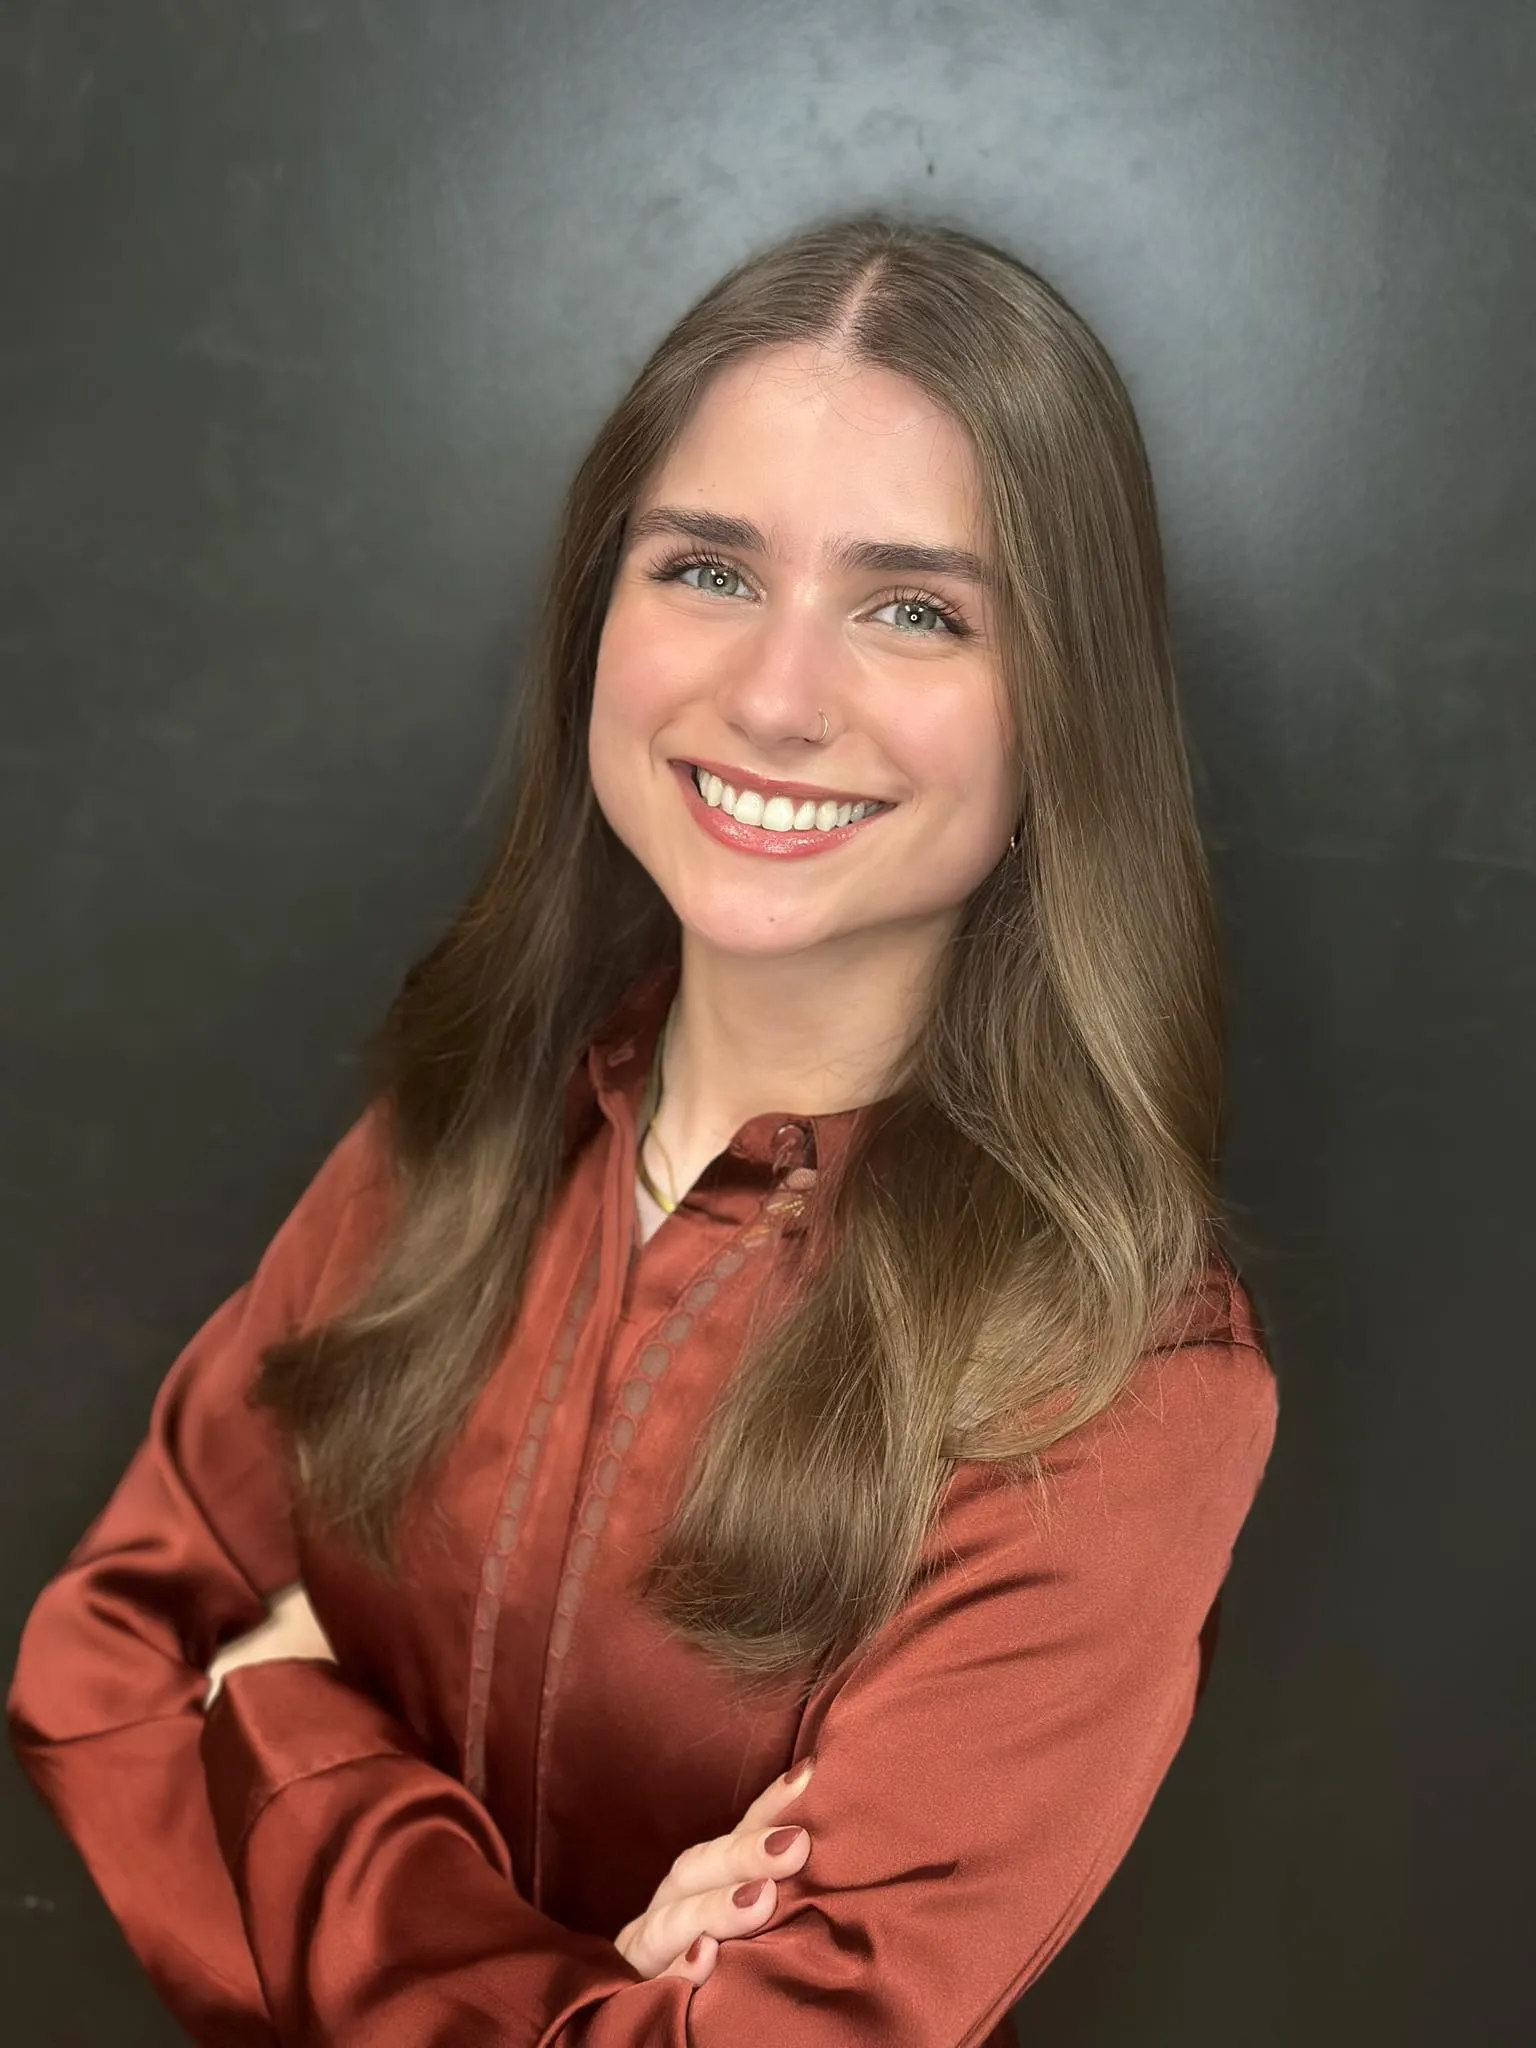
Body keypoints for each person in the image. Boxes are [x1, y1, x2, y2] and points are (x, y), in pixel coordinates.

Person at [7, 212, 1279, 2047]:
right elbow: (98, 1663)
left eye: (914, 607)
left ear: (1064, 707)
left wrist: (284, 1730)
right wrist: (586, 1996)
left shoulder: (1123, 1383)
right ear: (601, 607)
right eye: (707, 569)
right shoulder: (463, 1138)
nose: (774, 695)